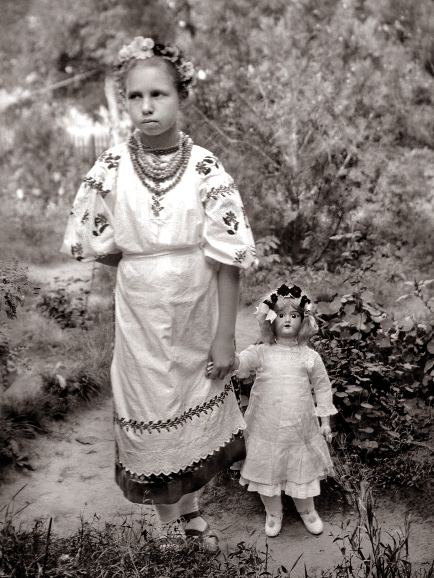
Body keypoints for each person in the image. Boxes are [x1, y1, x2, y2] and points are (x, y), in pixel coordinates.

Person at [61, 36, 256, 553]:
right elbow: (93, 239)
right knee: (149, 402)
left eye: (159, 95)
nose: (147, 107)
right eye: (135, 96)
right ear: (124, 100)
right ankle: (167, 522)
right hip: (140, 311)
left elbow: (229, 257)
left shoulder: (205, 167)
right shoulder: (111, 166)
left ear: (180, 96)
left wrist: (224, 337)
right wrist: (139, 262)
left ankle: (190, 511)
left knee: (192, 398)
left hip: (197, 306)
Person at [229, 283, 337, 537]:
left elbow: (322, 388)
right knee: (267, 471)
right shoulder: (262, 352)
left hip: (300, 430)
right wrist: (228, 356)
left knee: (303, 470)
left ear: (304, 321)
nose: (287, 320)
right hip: (265, 428)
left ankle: (307, 510)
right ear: (270, 320)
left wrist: (326, 422)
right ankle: (274, 512)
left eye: (294, 316)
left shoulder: (309, 356)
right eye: (281, 315)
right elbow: (241, 363)